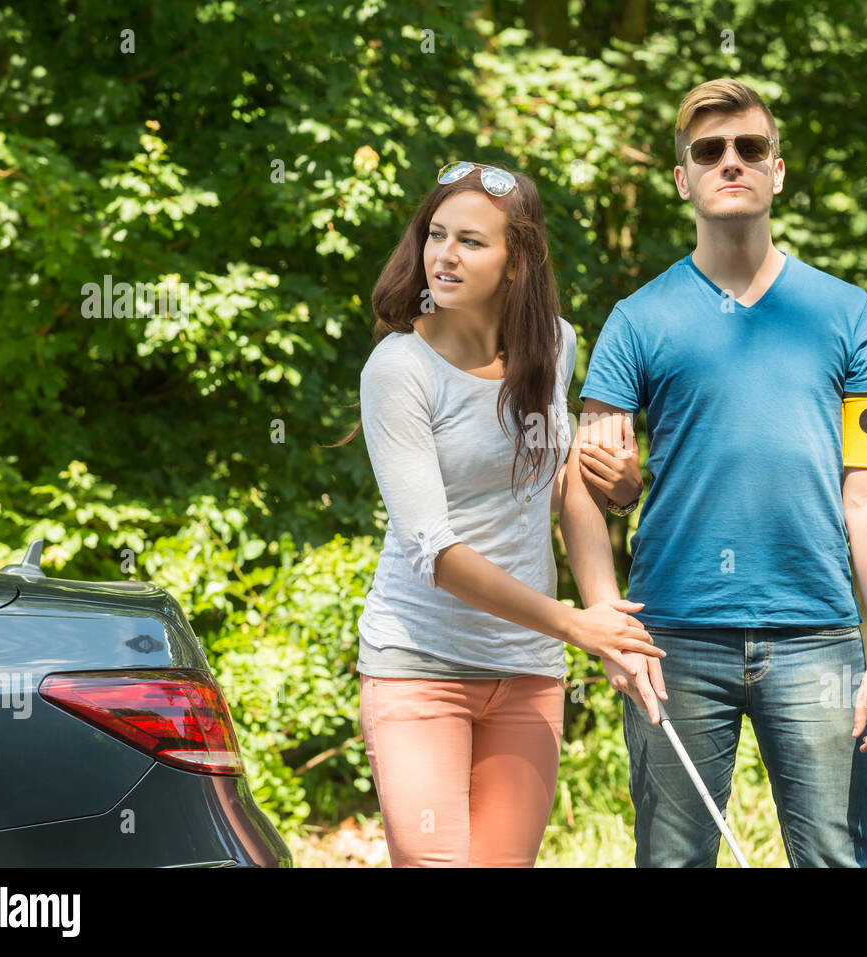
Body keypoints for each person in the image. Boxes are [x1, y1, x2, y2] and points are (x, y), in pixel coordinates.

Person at [562, 78, 867, 867]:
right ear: (683, 178)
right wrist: (606, 601)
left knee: (833, 856)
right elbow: (591, 484)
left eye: (750, 148)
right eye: (709, 151)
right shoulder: (636, 320)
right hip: (676, 636)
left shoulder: (846, 311)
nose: (731, 162)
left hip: (818, 635)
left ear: (777, 172)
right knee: (675, 860)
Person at [333, 160, 658, 867]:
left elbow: (566, 486)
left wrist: (612, 625)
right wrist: (577, 624)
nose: (444, 255)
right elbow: (436, 552)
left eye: (471, 241)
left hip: (526, 668)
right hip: (418, 664)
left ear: (518, 262)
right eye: (435, 234)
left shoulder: (556, 344)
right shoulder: (399, 369)